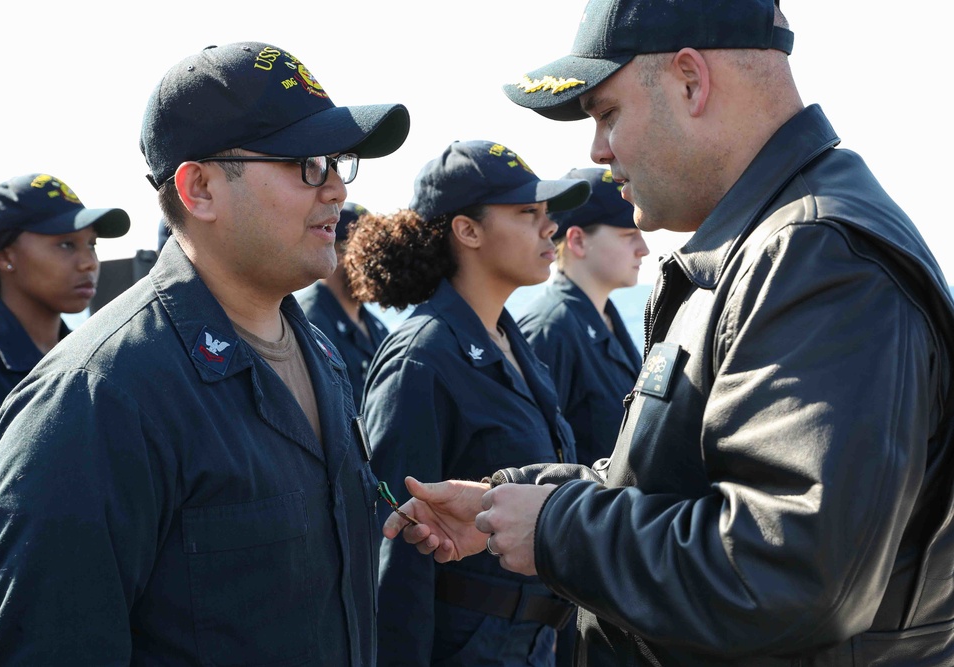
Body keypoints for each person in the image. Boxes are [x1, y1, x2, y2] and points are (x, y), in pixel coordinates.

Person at [382, 1, 954, 665]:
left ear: (690, 80)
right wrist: (520, 498)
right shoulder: (766, 247)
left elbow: (785, 569)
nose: (597, 150)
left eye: (608, 114)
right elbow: (677, 483)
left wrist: (556, 527)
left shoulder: (814, 256)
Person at [0, 42, 409, 665]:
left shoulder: (320, 355)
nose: (337, 190)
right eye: (307, 164)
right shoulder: (97, 398)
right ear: (199, 188)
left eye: (337, 162)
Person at [345, 139, 589, 666]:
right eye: (528, 213)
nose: (548, 228)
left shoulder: (512, 343)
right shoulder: (422, 358)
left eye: (547, 214)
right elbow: (396, 550)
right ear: (468, 230)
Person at [0, 173, 129, 667]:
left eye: (91, 245)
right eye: (65, 244)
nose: (88, 261)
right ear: (5, 256)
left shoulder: (99, 364)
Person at [516, 166, 648, 467]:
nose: (644, 249)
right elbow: (538, 458)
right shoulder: (550, 329)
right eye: (629, 234)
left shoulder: (604, 319)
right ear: (577, 241)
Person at [297, 201, 389, 410]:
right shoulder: (311, 323)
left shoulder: (376, 326)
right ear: (336, 252)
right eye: (366, 251)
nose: (376, 262)